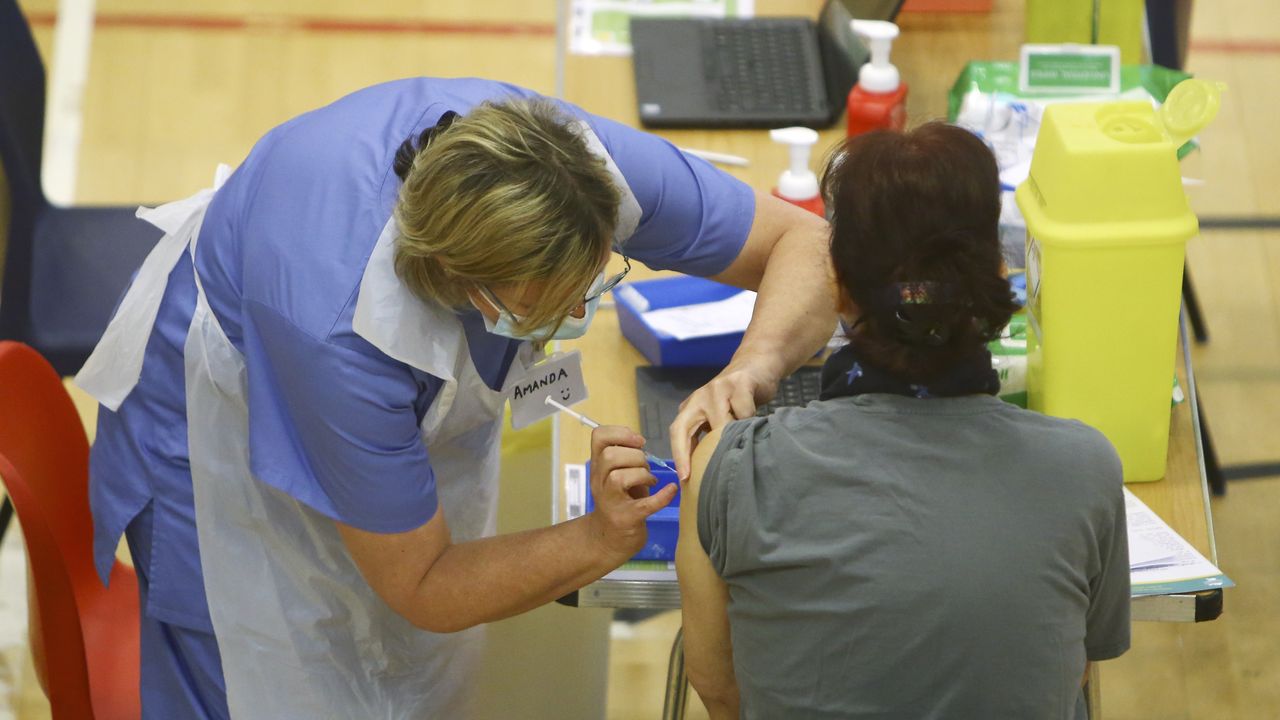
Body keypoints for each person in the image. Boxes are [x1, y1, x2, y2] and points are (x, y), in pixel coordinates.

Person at [75, 77, 833, 718]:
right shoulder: (335, 335)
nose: (580, 315)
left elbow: (804, 243)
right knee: (265, 671)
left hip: (341, 325)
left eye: (593, 281)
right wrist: (596, 540)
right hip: (214, 432)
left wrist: (751, 370)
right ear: (462, 284)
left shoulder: (567, 165)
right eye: (554, 301)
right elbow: (425, 584)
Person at [677, 122, 1130, 720]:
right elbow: (1067, 671)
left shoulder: (729, 468)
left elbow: (718, 685)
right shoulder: (1085, 469)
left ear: (836, 287)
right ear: (998, 274)